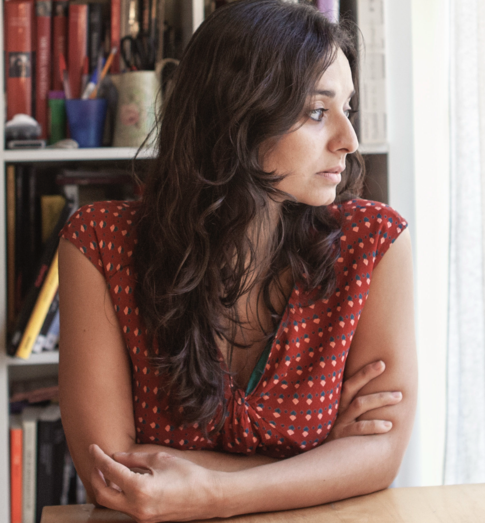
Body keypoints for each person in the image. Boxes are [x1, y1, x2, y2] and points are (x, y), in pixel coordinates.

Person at [57, 0, 416, 520]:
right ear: (236, 114)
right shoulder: (100, 243)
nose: (349, 141)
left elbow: (380, 457)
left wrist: (210, 491)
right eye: (318, 112)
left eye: (348, 109)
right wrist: (320, 463)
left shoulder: (373, 242)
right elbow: (113, 475)